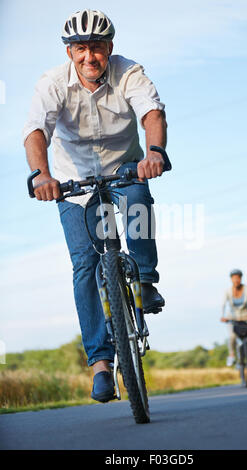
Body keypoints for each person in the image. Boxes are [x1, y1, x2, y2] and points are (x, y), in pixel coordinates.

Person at [23, 9, 167, 403]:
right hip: (72, 181)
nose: (90, 57)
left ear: (110, 48)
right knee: (85, 264)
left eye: (98, 48)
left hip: (123, 167)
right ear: (70, 52)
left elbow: (152, 111)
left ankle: (145, 282)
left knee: (137, 195)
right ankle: (101, 365)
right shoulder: (52, 83)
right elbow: (36, 131)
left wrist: (154, 152)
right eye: (81, 49)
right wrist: (41, 176)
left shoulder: (129, 72)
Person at [220, 269, 247, 374]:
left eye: (238, 278)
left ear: (241, 278)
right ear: (231, 279)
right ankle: (232, 355)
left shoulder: (246, 289)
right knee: (232, 337)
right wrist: (222, 316)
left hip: (245, 317)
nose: (236, 280)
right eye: (234, 278)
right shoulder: (228, 291)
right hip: (232, 318)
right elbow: (223, 304)